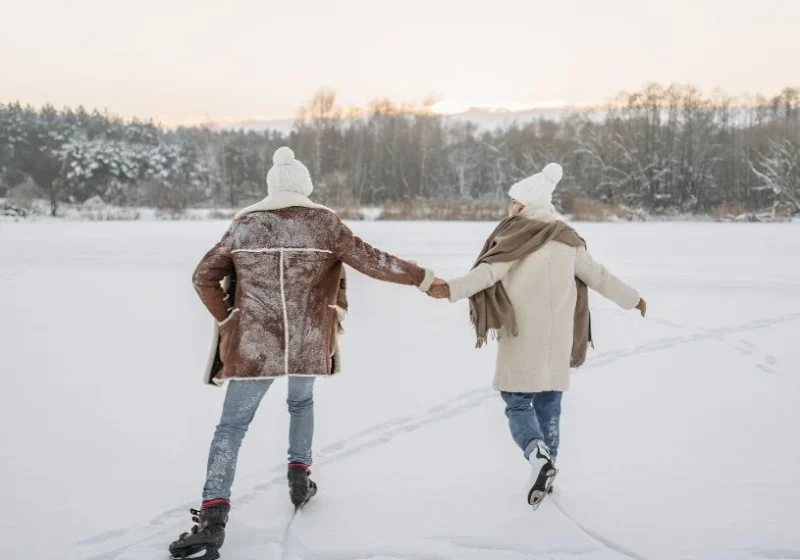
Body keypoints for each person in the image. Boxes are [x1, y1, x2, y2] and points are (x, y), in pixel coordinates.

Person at [169, 147, 441, 560]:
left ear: (271, 187)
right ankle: (300, 475)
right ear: (305, 187)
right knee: (301, 401)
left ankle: (212, 519)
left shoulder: (246, 225)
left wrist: (230, 319)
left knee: (231, 429)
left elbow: (202, 277)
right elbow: (375, 262)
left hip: (254, 344)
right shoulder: (324, 224)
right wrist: (423, 279)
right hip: (308, 338)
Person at [427, 163, 646, 509]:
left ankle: (536, 454)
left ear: (524, 204)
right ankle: (549, 467)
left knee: (516, 401)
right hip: (558, 338)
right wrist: (632, 299)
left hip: (522, 335)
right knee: (549, 405)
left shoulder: (516, 236)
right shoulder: (567, 240)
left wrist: (451, 289)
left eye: (513, 201)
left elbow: (486, 273)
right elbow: (598, 276)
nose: (509, 206)